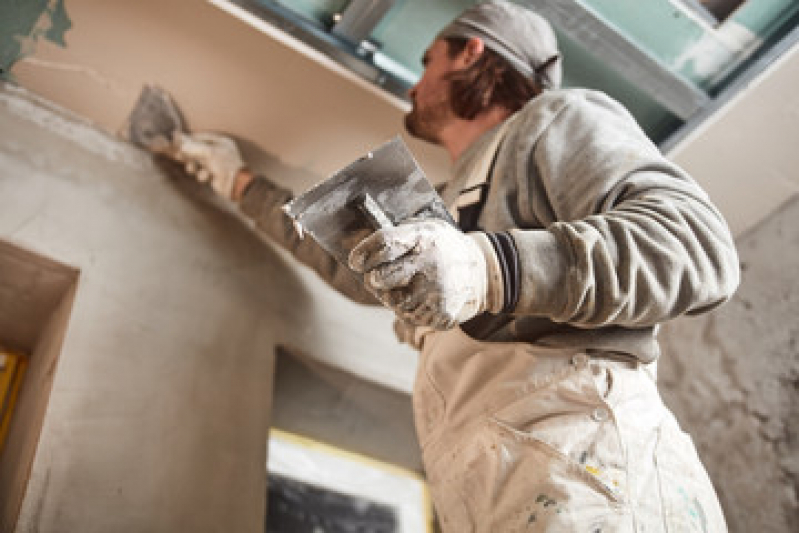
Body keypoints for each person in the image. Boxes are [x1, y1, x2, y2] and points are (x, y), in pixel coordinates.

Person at [171, 1, 739, 530]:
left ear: (471, 52)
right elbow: (343, 265)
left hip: (590, 465)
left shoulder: (555, 118)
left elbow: (695, 245)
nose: (416, 83)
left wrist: (489, 270)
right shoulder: (445, 202)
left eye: (428, 60)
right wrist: (235, 180)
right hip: (488, 489)